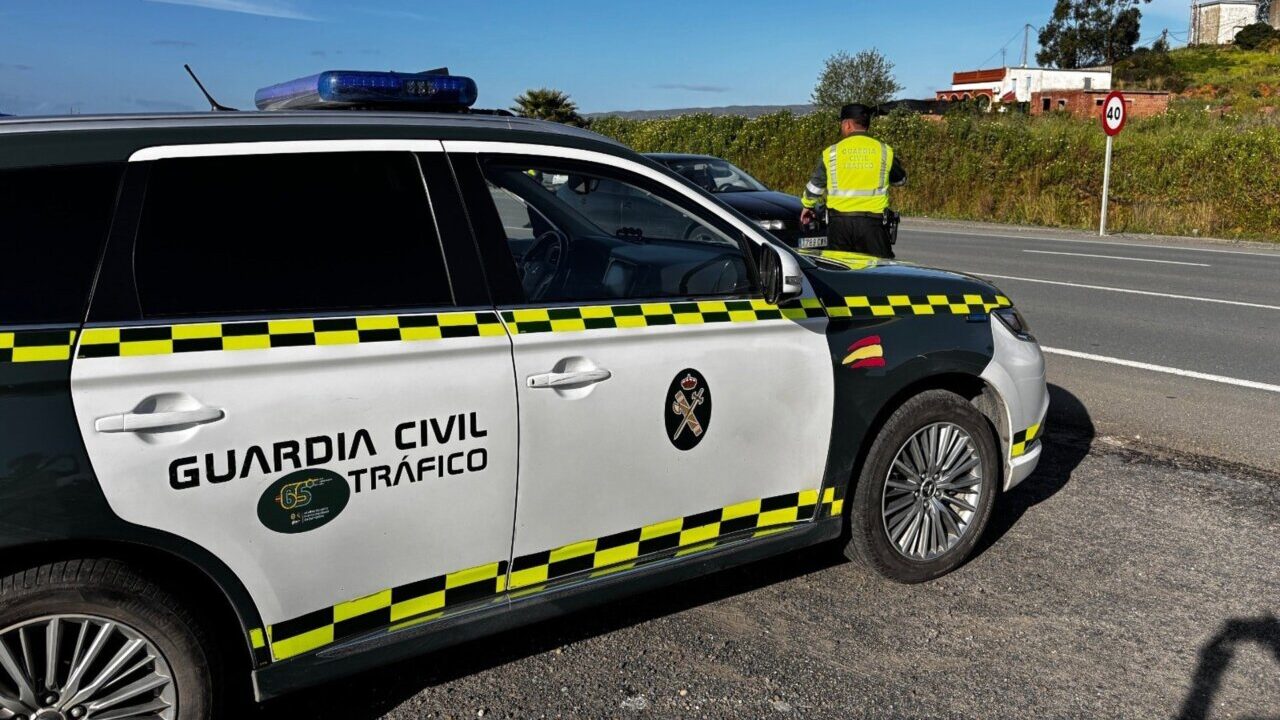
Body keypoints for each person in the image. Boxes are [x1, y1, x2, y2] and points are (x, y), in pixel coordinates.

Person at [799, 103, 907, 258]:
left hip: (839, 225)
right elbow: (901, 180)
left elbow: (815, 186)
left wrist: (807, 206)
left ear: (848, 124)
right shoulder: (884, 150)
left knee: (839, 272)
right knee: (878, 272)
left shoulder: (832, 152)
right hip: (873, 226)